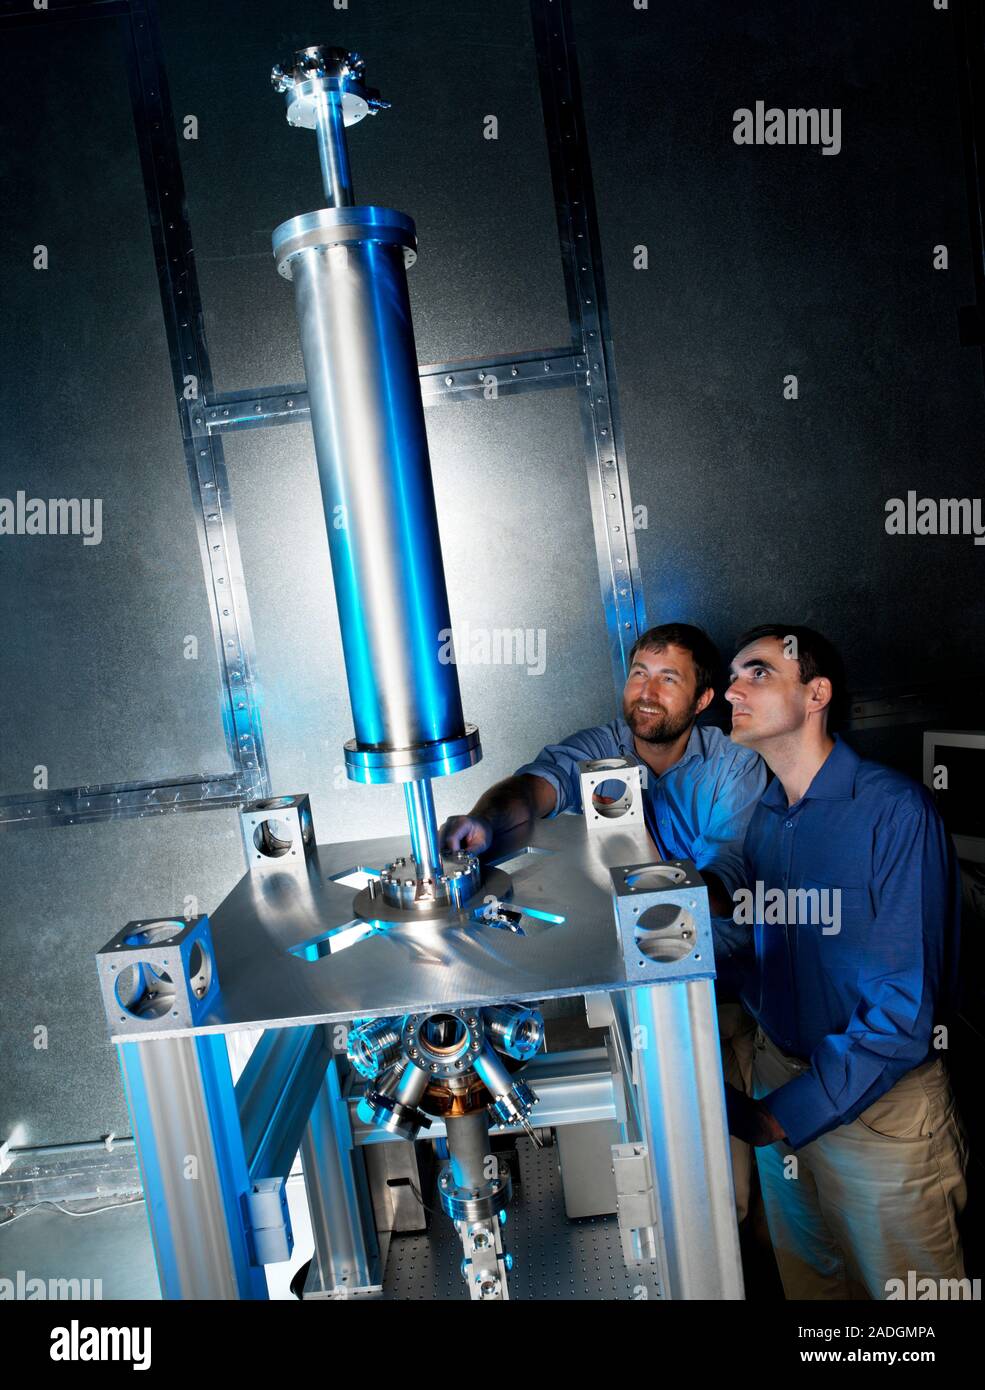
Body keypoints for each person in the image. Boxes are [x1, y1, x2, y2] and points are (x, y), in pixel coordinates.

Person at [440, 621, 767, 1220]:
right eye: (639, 673)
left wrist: (646, 858)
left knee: (730, 1184)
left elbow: (728, 878)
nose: (647, 690)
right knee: (657, 1173)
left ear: (701, 700)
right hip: (632, 994)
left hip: (721, 991)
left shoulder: (733, 764)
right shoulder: (599, 748)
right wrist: (485, 823)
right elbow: (531, 791)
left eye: (669, 679)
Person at [723, 623, 968, 1299]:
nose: (730, 690)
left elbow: (897, 1016)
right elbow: (767, 960)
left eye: (756, 673)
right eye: (731, 677)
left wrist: (777, 1117)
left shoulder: (892, 813)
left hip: (876, 1115)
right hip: (780, 1082)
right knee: (813, 1289)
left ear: (815, 693)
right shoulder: (767, 816)